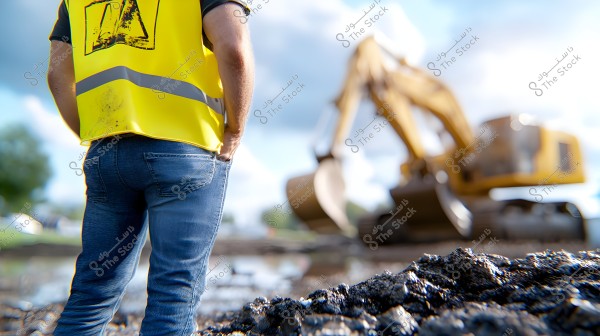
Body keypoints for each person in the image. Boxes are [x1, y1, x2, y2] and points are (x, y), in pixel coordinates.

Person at [47, 0, 254, 334]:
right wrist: (236, 130)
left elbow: (58, 75)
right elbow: (233, 49)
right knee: (173, 294)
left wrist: (96, 136)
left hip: (108, 152)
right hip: (186, 147)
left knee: (91, 293)